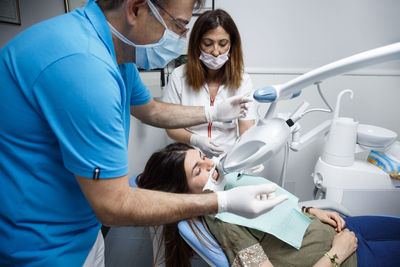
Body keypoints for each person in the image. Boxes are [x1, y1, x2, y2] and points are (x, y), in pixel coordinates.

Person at [0, 0, 288, 265]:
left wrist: (212, 113)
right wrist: (222, 202)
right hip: (42, 246)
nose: (181, 37)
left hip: (81, 228)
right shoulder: (85, 68)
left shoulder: (115, 55)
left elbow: (150, 109)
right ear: (136, 8)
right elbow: (113, 206)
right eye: (178, 25)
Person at [137, 142, 400, 267]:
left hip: (341, 228)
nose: (211, 164)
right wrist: (337, 254)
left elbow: (273, 213)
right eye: (198, 170)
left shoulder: (230, 184)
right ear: (184, 194)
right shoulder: (225, 223)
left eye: (204, 157)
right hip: (348, 256)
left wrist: (311, 211)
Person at [162, 9, 256, 158]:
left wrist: (246, 158)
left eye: (223, 43)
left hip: (226, 161)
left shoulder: (242, 80)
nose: (216, 52)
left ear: (232, 44)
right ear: (197, 44)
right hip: (189, 161)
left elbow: (246, 129)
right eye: (208, 43)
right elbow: (171, 127)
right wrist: (196, 140)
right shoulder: (179, 76)